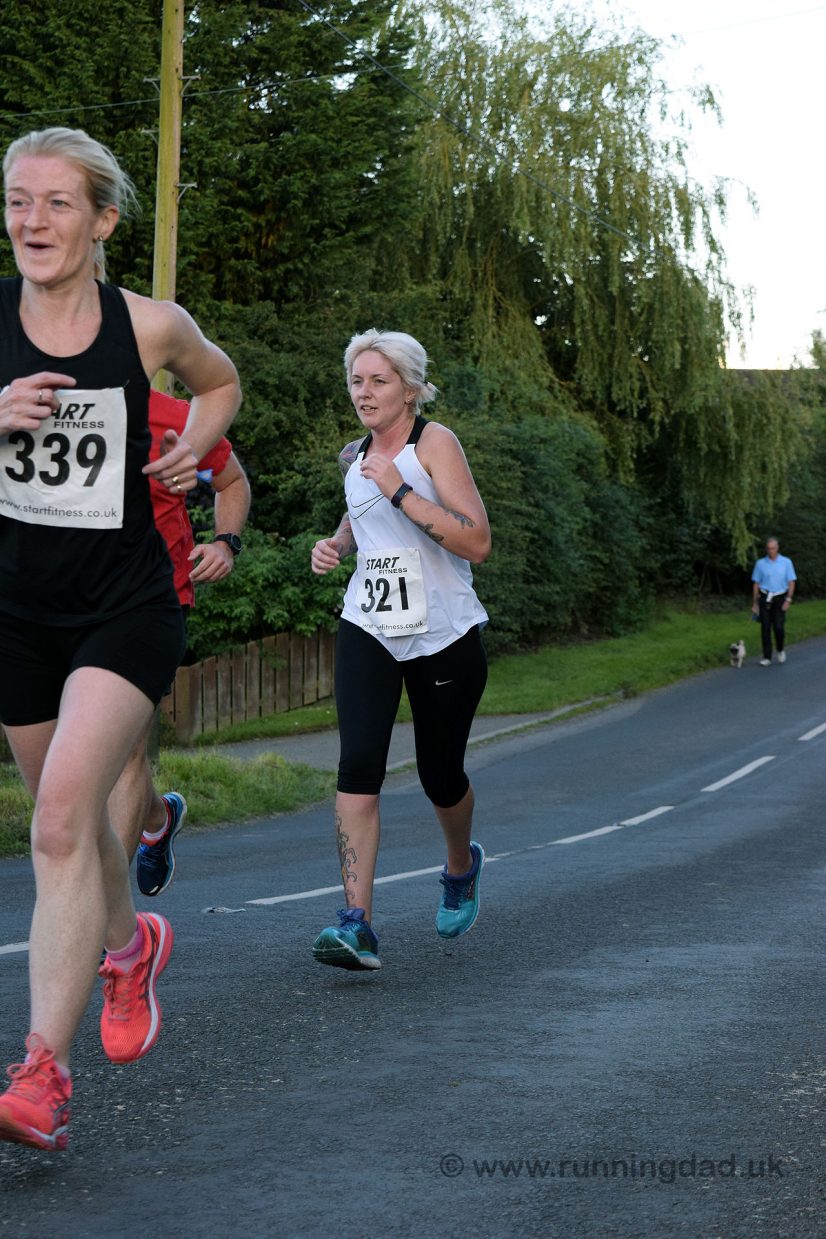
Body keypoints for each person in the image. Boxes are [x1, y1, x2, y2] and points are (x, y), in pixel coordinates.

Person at [0, 127, 241, 1151]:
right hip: (15, 610)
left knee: (61, 817)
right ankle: (127, 945)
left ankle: (41, 1075)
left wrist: (196, 439)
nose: (33, 222)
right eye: (18, 201)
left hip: (127, 605)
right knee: (69, 824)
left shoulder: (149, 326)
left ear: (103, 221)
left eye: (59, 204)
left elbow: (222, 381)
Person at [309, 329, 491, 971]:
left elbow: (476, 542)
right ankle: (355, 922)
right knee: (358, 766)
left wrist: (399, 489)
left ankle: (461, 865)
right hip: (370, 624)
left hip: (442, 632)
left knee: (440, 776)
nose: (364, 392)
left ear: (410, 390)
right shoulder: (353, 455)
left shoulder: (432, 444)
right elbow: (361, 521)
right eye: (357, 380)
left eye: (378, 381)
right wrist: (336, 546)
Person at [108, 388, 251, 899]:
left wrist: (224, 542)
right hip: (56, 605)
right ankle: (158, 816)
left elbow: (231, 480)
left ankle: (105, 911)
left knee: (123, 753)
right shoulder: (32, 402)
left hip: (149, 601)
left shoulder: (175, 416)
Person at [751, 536, 796, 666]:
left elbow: (791, 582)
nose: (771, 551)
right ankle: (767, 656)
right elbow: (756, 583)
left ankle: (780, 649)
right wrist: (754, 603)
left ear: (777, 548)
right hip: (765, 597)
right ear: (766, 549)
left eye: (773, 548)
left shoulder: (786, 562)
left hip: (780, 597)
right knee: (765, 628)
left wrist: (788, 599)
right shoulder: (760, 564)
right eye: (769, 548)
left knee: (778, 627)